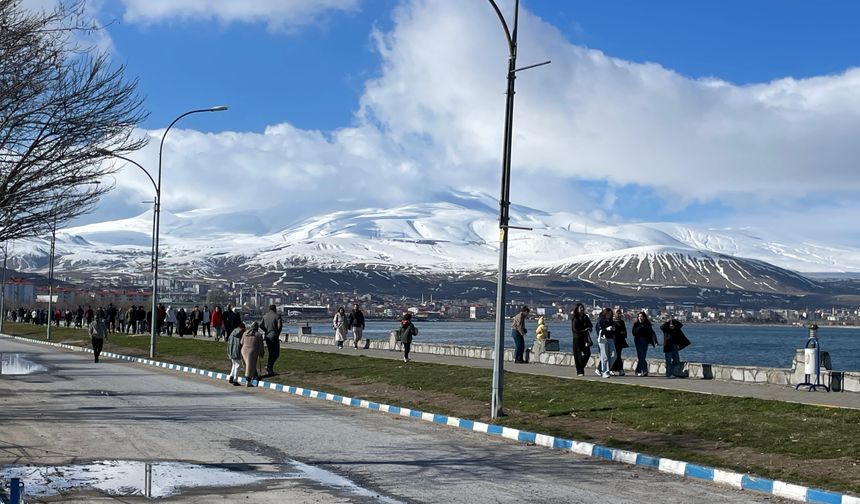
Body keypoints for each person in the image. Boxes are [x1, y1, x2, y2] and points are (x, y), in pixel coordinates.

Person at [632, 311, 657, 376]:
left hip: (645, 341)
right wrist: (640, 327)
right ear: (638, 317)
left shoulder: (647, 324)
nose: (640, 318)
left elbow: (651, 332)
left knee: (642, 356)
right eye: (639, 316)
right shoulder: (636, 324)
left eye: (642, 316)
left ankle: (639, 371)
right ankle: (644, 370)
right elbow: (634, 333)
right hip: (638, 341)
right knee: (641, 356)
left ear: (644, 317)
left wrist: (654, 341)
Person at [260, 304, 283, 376]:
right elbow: (280, 326)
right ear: (275, 309)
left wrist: (266, 330)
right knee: (276, 353)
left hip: (267, 336)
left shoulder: (265, 316)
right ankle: (269, 366)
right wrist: (277, 333)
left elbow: (260, 325)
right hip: (274, 336)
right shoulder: (277, 316)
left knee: (270, 353)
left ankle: (270, 368)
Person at [240, 321, 264, 387]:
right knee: (250, 366)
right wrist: (262, 353)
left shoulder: (245, 333)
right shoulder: (258, 335)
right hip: (252, 352)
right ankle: (248, 382)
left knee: (247, 366)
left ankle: (254, 376)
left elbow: (241, 342)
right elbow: (261, 345)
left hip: (243, 351)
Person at [570, 303, 592, 376]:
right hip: (577, 338)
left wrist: (589, 328)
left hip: (585, 338)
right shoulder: (575, 318)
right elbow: (575, 329)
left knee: (587, 353)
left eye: (583, 308)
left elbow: (590, 325)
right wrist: (583, 330)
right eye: (580, 308)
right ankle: (580, 371)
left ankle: (580, 367)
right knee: (578, 355)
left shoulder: (585, 317)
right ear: (577, 309)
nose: (582, 309)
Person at [595, 307, 616, 378]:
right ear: (604, 314)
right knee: (604, 356)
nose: (609, 315)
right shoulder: (600, 321)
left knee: (613, 355)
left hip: (610, 339)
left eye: (610, 314)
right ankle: (605, 372)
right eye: (607, 313)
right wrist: (606, 329)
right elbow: (598, 330)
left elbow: (614, 331)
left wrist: (613, 330)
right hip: (603, 339)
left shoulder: (611, 321)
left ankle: (605, 369)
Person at [609, 309, 629, 376]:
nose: (619, 314)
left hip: (620, 341)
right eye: (617, 313)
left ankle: (620, 369)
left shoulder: (622, 322)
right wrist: (618, 332)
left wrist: (623, 333)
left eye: (620, 313)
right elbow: (612, 331)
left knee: (618, 355)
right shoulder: (612, 321)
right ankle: (612, 369)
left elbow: (624, 330)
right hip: (613, 340)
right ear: (614, 314)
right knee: (614, 356)